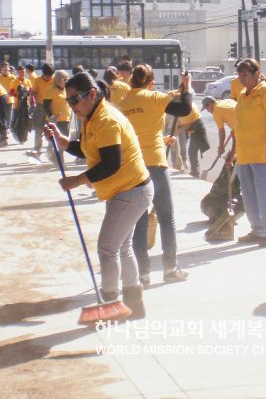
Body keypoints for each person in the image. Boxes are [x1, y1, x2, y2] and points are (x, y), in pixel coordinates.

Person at [44, 72, 154, 319]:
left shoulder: (106, 120)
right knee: (122, 248)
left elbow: (110, 164)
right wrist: (61, 140)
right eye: (68, 100)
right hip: (124, 190)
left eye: (74, 100)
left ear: (92, 94)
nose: (71, 105)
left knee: (107, 248)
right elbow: (85, 147)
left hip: (132, 190)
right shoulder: (91, 116)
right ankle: (134, 305)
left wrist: (77, 180)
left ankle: (112, 302)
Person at [118, 64, 193, 285]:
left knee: (140, 221)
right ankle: (170, 268)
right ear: (150, 82)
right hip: (156, 166)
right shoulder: (154, 97)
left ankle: (142, 273)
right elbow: (184, 108)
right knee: (166, 217)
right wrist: (187, 88)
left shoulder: (122, 104)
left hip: (134, 167)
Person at [230, 58, 266, 247]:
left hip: (264, 154)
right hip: (245, 154)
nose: (241, 79)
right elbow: (239, 124)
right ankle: (258, 230)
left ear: (256, 74)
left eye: (245, 75)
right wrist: (234, 151)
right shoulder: (243, 94)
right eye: (239, 75)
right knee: (249, 195)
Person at [44, 70, 72, 163]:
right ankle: (59, 160)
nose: (67, 81)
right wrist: (51, 116)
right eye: (65, 79)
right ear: (58, 80)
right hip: (56, 121)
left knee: (64, 141)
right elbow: (46, 105)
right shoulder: (50, 90)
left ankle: (56, 158)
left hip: (66, 120)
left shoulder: (66, 90)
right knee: (57, 142)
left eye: (68, 79)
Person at [177, 97, 209, 178]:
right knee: (192, 151)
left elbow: (185, 126)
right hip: (196, 128)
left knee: (192, 151)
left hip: (197, 130)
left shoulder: (186, 111)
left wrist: (174, 133)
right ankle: (195, 171)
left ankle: (195, 172)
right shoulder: (190, 104)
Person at [30, 64, 54, 156]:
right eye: (46, 75)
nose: (48, 78)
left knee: (51, 128)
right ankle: (37, 148)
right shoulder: (38, 80)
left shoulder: (54, 79)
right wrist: (35, 100)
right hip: (40, 107)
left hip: (51, 107)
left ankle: (51, 148)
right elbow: (33, 92)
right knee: (38, 128)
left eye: (50, 76)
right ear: (43, 73)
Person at [0, 62, 16, 128]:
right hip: (0, 99)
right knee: (1, 114)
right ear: (1, 68)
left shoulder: (13, 77)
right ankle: (3, 127)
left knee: (9, 114)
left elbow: (16, 87)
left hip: (10, 99)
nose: (6, 68)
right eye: (4, 67)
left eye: (7, 67)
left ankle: (7, 127)